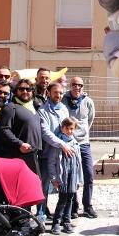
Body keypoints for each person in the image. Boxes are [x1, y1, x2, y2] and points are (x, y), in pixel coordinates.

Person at [62, 76, 97, 219]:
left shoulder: (88, 102)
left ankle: (87, 205)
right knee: (72, 176)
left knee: (89, 174)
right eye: (75, 85)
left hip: (84, 144)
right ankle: (73, 207)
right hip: (69, 144)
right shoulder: (64, 100)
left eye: (80, 85)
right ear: (70, 85)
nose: (77, 88)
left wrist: (82, 134)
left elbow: (90, 120)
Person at [37, 82, 70, 221]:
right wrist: (61, 144)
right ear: (49, 93)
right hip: (46, 153)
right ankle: (41, 213)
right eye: (56, 92)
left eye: (61, 93)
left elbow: (69, 127)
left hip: (62, 154)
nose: (58, 95)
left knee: (63, 183)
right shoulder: (42, 111)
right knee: (44, 185)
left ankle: (61, 215)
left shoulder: (64, 109)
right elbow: (45, 133)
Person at [0, 79, 42, 175]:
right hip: (18, 156)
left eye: (28, 89)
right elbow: (4, 129)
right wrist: (19, 144)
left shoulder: (34, 108)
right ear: (16, 91)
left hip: (33, 156)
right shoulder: (10, 107)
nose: (25, 91)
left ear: (32, 92)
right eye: (21, 89)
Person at [49, 117, 83, 235]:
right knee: (62, 199)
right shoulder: (58, 144)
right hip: (62, 177)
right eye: (67, 128)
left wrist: (79, 179)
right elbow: (52, 162)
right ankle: (56, 222)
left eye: (71, 129)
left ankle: (67, 221)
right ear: (62, 128)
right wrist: (54, 178)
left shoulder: (76, 144)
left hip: (72, 177)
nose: (69, 131)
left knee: (70, 199)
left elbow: (79, 163)